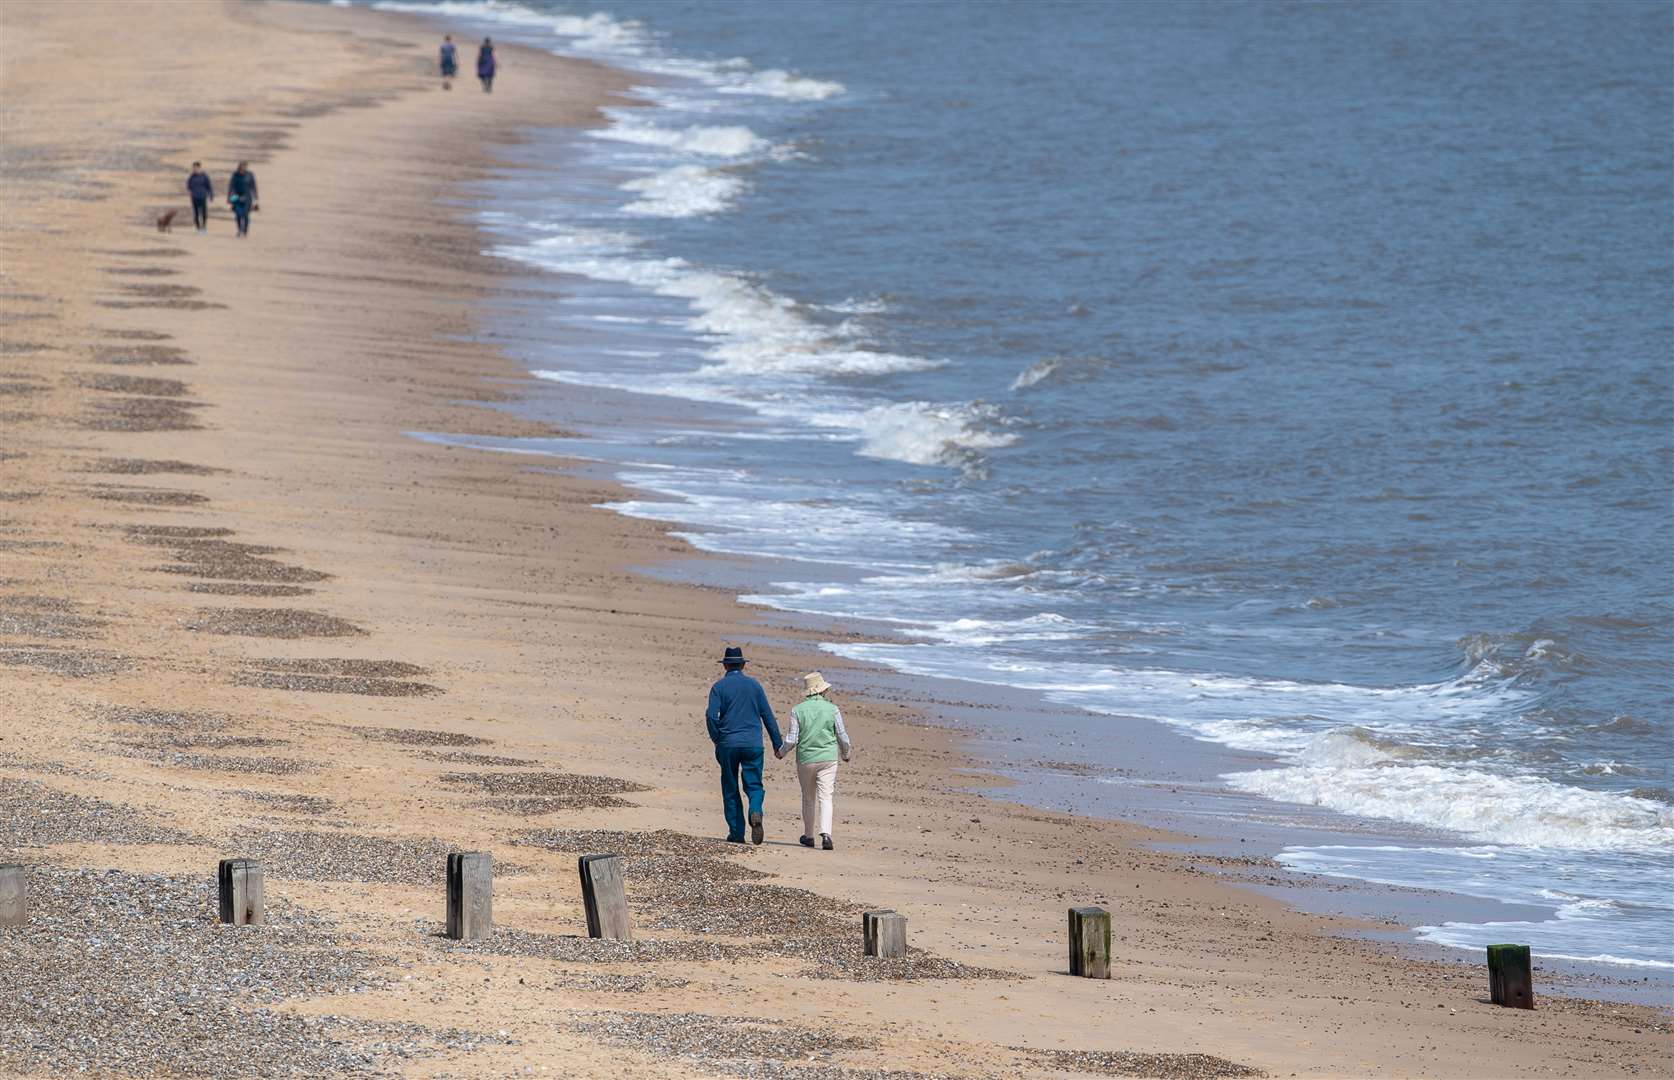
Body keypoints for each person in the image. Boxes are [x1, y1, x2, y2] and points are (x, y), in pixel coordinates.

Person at [705, 645, 783, 844]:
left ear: (725, 666)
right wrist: (777, 743)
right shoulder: (755, 686)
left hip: (728, 743)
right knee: (754, 784)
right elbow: (767, 716)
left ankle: (737, 833)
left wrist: (717, 738)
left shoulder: (718, 687)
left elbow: (711, 716)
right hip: (753, 744)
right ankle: (755, 810)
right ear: (742, 665)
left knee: (730, 787)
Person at [776, 671, 852, 850]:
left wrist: (781, 752)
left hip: (806, 759)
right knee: (826, 796)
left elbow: (791, 740)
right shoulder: (832, 709)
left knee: (808, 798)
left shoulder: (797, 710)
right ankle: (826, 834)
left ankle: (809, 835)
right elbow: (842, 736)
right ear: (822, 690)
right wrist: (846, 753)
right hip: (828, 758)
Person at [227, 161, 258, 237]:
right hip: (236, 196)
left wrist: (255, 197)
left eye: (245, 166)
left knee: (246, 215)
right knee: (238, 214)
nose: (243, 168)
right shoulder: (235, 175)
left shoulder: (250, 175)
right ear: (239, 167)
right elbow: (231, 186)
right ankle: (239, 230)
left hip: (247, 197)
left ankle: (245, 231)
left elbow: (253, 186)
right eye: (242, 166)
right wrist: (229, 197)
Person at [186, 162, 213, 233]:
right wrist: (190, 192)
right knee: (196, 213)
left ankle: (204, 227)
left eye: (196, 168)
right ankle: (198, 228)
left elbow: (209, 186)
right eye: (193, 168)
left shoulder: (204, 176)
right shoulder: (191, 177)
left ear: (199, 168)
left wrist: (211, 195)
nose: (195, 169)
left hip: (203, 196)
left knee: (204, 213)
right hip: (194, 197)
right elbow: (188, 186)